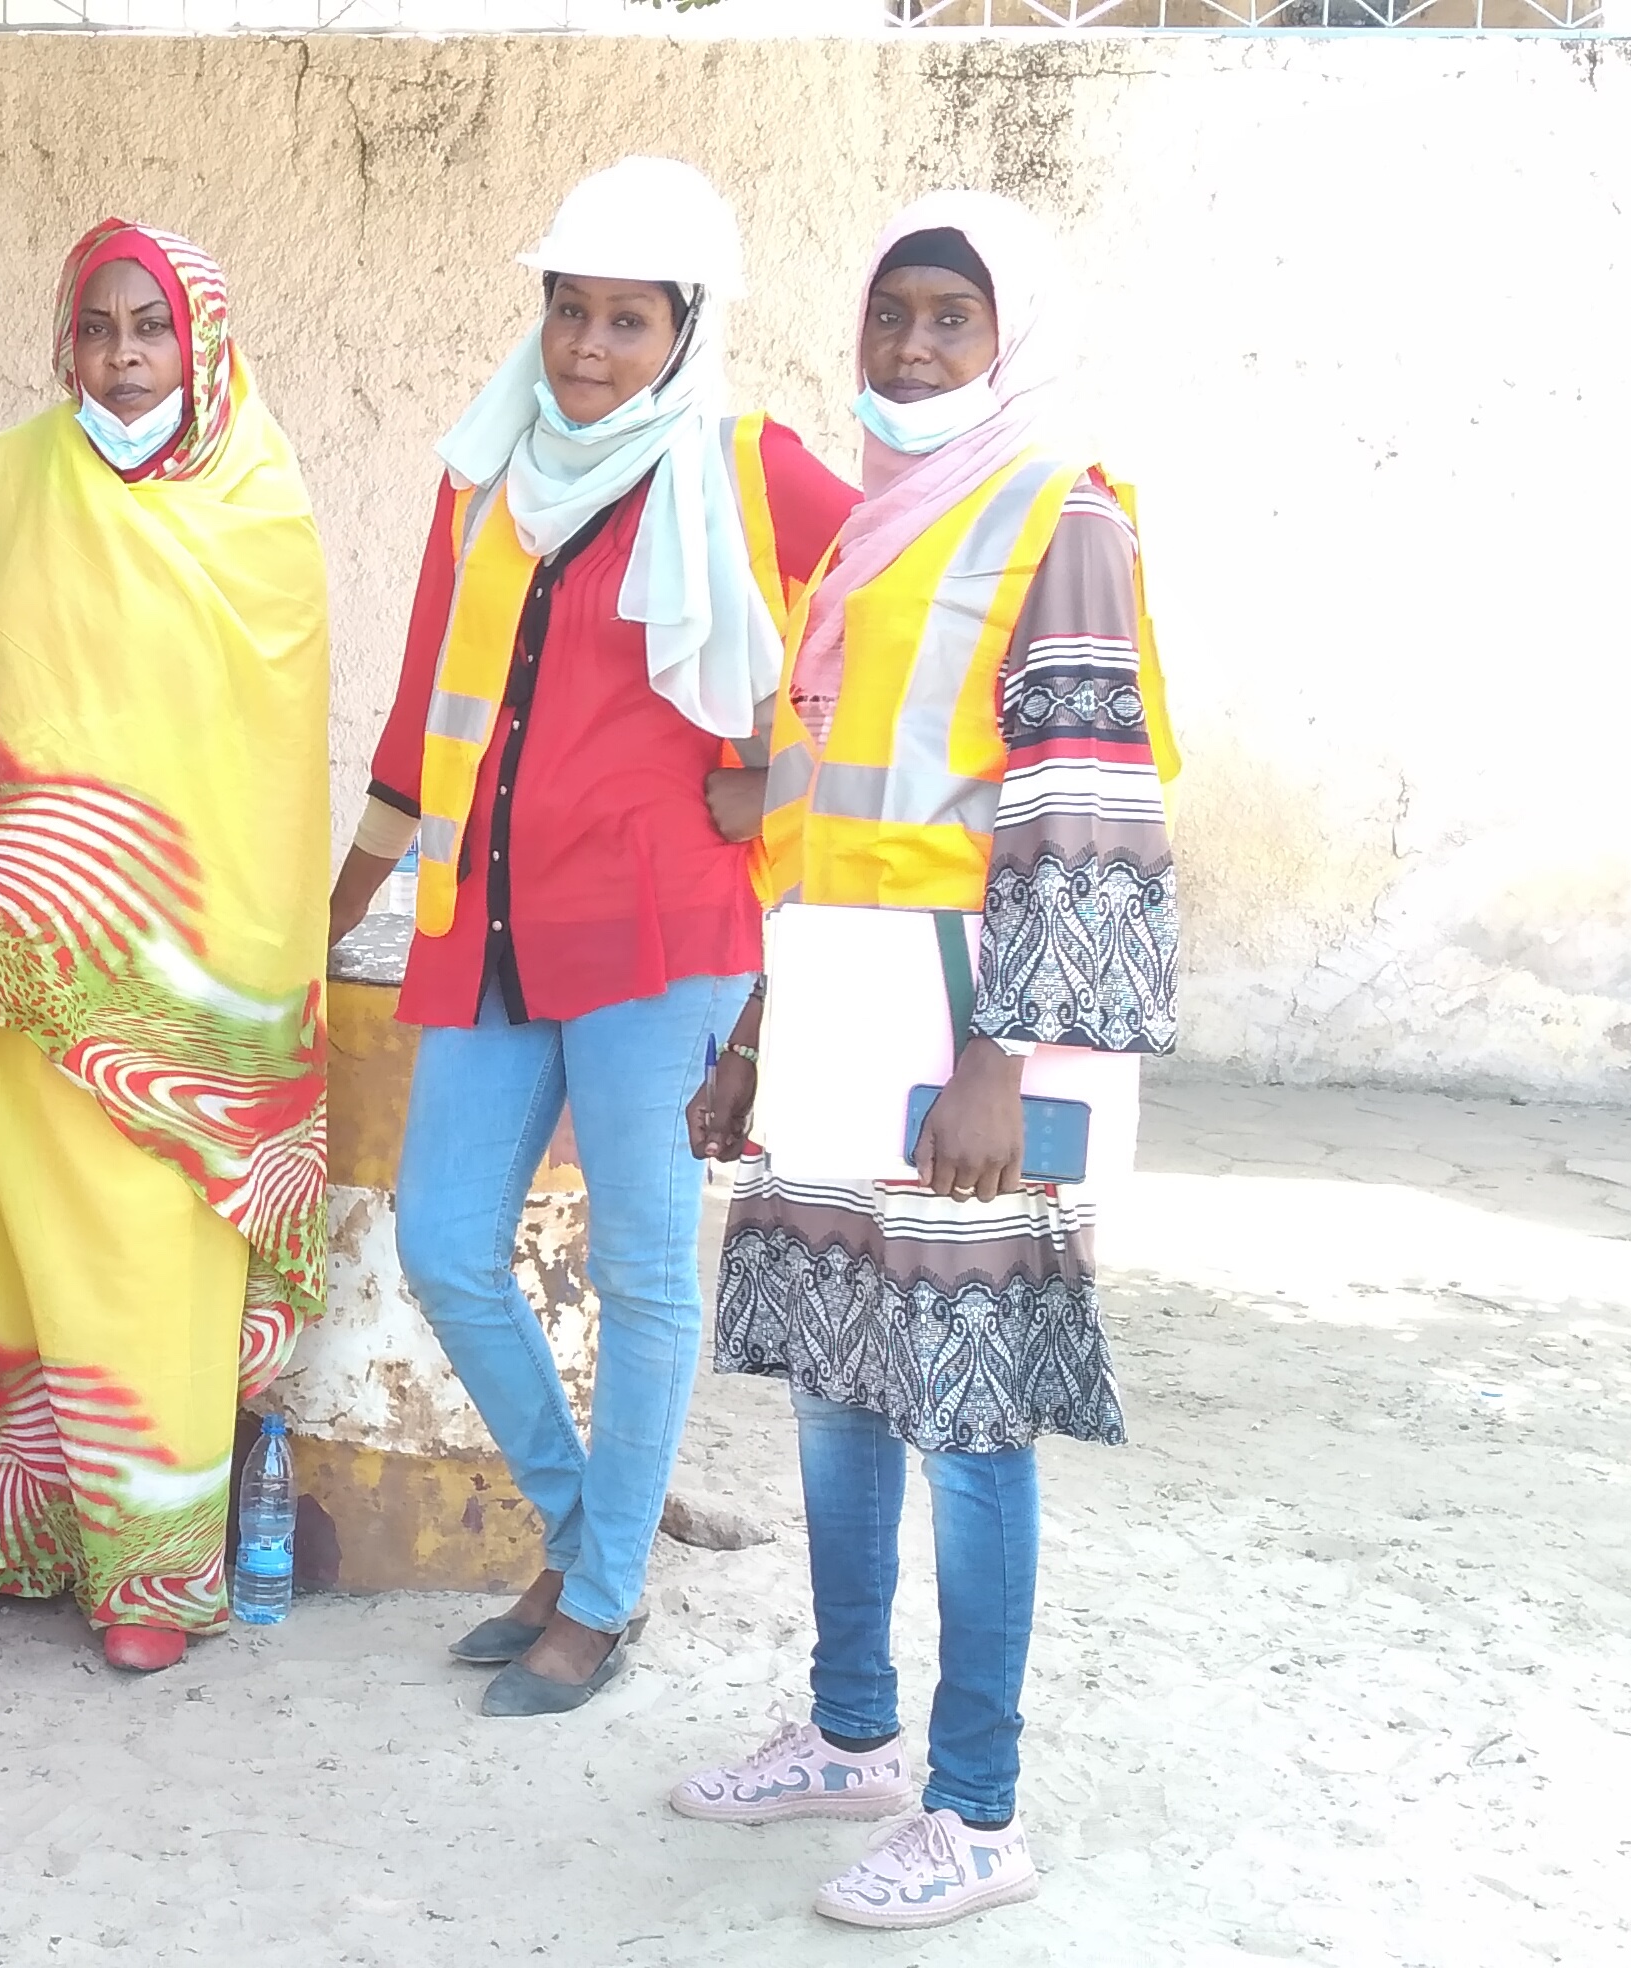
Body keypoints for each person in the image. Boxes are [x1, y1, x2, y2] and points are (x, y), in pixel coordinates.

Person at [662, 191, 1179, 1932]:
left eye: (948, 320)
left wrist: (1000, 1056)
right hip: (831, 1016)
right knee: (839, 1394)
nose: (909, 350)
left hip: (965, 1039)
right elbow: (812, 816)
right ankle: (852, 1732)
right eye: (890, 317)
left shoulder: (1063, 519)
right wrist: (751, 1027)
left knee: (965, 1425)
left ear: (1007, 337)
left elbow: (1080, 816)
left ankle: (976, 1811)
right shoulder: (871, 533)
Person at [319, 157, 855, 1717]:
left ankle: (604, 1593)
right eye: (569, 309)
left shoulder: (749, 465)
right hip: (487, 921)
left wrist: (782, 778)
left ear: (686, 330)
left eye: (628, 320)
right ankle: (580, 1531)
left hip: (666, 933)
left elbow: (894, 592)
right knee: (443, 1243)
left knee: (640, 1273)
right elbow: (429, 707)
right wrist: (337, 901)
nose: (588, 348)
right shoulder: (486, 472)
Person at [0, 219, 332, 1673]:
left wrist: (204, 955)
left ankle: (151, 1577)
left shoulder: (259, 502)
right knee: (7, 1246)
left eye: (151, 326)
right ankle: (6, 1537)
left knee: (151, 1259)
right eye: (99, 326)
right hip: (7, 958)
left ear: (199, 337)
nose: (125, 354)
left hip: (177, 975)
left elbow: (266, 757)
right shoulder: (6, 477)